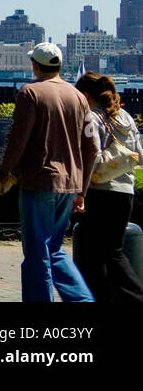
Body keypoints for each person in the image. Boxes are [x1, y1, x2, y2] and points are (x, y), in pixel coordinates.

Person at [0, 43, 96, 303]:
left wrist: (3, 171)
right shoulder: (79, 97)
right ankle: (82, 299)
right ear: (59, 66)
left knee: (37, 253)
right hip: (70, 183)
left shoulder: (30, 93)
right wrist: (82, 190)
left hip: (39, 181)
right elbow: (92, 147)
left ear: (35, 66)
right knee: (54, 249)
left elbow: (18, 140)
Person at [73, 72, 143, 302]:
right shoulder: (126, 117)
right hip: (125, 192)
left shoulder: (92, 118)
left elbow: (91, 156)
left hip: (99, 192)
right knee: (111, 250)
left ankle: (134, 296)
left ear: (84, 95)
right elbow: (139, 155)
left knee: (102, 254)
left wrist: (80, 191)